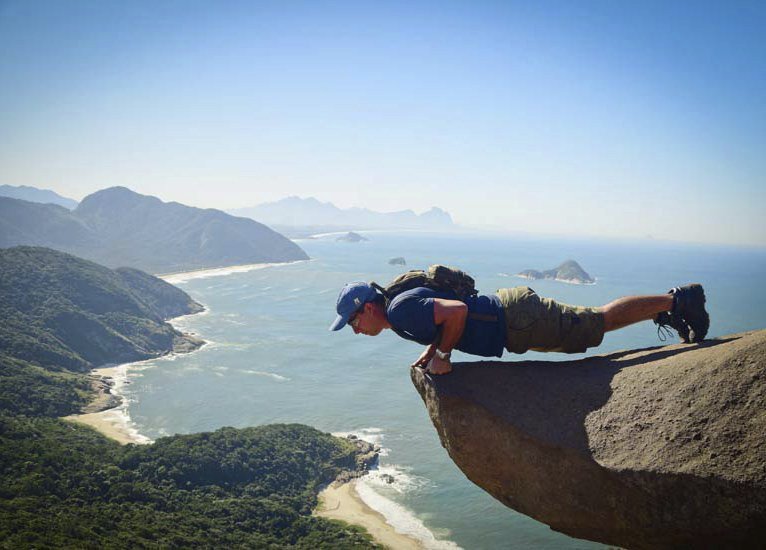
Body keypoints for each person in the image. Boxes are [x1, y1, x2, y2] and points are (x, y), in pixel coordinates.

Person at [329, 280, 709, 375]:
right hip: (512, 319)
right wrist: (432, 348)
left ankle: (678, 301)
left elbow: (457, 310)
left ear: (367, 307)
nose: (355, 329)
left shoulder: (399, 311)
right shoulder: (398, 312)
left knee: (598, 322)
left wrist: (443, 354)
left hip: (517, 320)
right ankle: (671, 306)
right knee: (594, 325)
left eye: (353, 321)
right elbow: (440, 319)